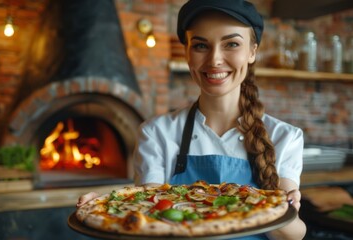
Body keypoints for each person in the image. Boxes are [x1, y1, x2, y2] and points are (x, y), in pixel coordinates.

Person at [78, 0, 306, 239]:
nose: (215, 59)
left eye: (231, 44)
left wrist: (283, 209)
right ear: (186, 53)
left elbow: (294, 235)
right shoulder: (157, 133)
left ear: (252, 52)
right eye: (200, 45)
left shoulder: (285, 137)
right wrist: (110, 208)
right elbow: (150, 217)